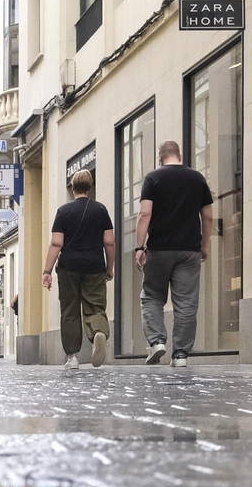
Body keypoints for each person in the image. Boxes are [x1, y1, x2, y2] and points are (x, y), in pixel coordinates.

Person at [133, 140, 214, 367]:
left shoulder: (153, 178)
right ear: (180, 155)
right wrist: (204, 244)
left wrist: (140, 247)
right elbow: (207, 216)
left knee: (151, 296)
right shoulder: (197, 179)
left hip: (159, 249)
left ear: (161, 158)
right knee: (186, 303)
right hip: (189, 250)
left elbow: (144, 214)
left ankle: (157, 341)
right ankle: (180, 356)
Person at [42, 166, 116, 370]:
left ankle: (72, 357)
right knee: (95, 307)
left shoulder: (63, 211)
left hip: (69, 267)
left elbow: (56, 243)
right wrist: (110, 267)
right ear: (90, 187)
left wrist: (47, 271)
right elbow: (109, 242)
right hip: (94, 265)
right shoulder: (100, 209)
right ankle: (98, 332)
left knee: (70, 310)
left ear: (72, 188)